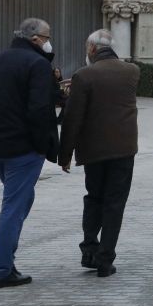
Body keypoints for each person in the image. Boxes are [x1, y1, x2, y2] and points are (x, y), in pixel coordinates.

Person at [0, 17, 59, 289]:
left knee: (22, 199)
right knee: (13, 206)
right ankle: (0, 270)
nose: (48, 42)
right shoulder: (37, 65)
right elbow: (40, 110)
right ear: (35, 39)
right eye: (46, 37)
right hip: (24, 148)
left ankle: (6, 259)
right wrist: (45, 146)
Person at [59, 29, 140, 278]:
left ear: (92, 49)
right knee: (115, 203)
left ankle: (89, 250)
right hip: (124, 150)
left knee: (94, 198)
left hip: (94, 151)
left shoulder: (84, 75)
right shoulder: (132, 71)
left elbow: (73, 118)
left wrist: (65, 155)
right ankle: (106, 260)